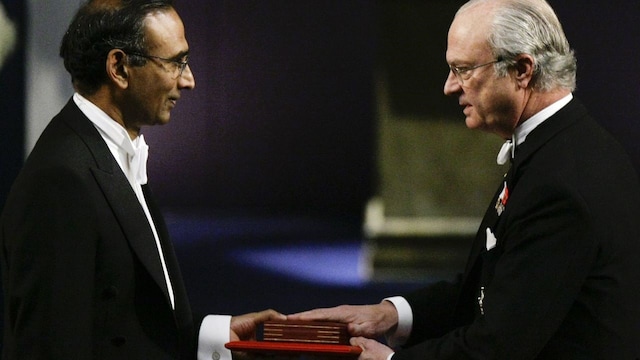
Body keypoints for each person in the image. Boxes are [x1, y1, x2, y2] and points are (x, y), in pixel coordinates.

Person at [288, 0, 640, 358]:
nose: (449, 87)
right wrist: (390, 315)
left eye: (463, 69)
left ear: (521, 69)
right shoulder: (559, 146)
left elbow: (500, 346)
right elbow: (494, 290)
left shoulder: (561, 182)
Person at [0, 1, 284, 359]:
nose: (189, 79)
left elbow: (117, 321)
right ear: (119, 68)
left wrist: (212, 335)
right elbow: (51, 345)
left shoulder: (110, 151)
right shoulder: (61, 179)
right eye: (175, 62)